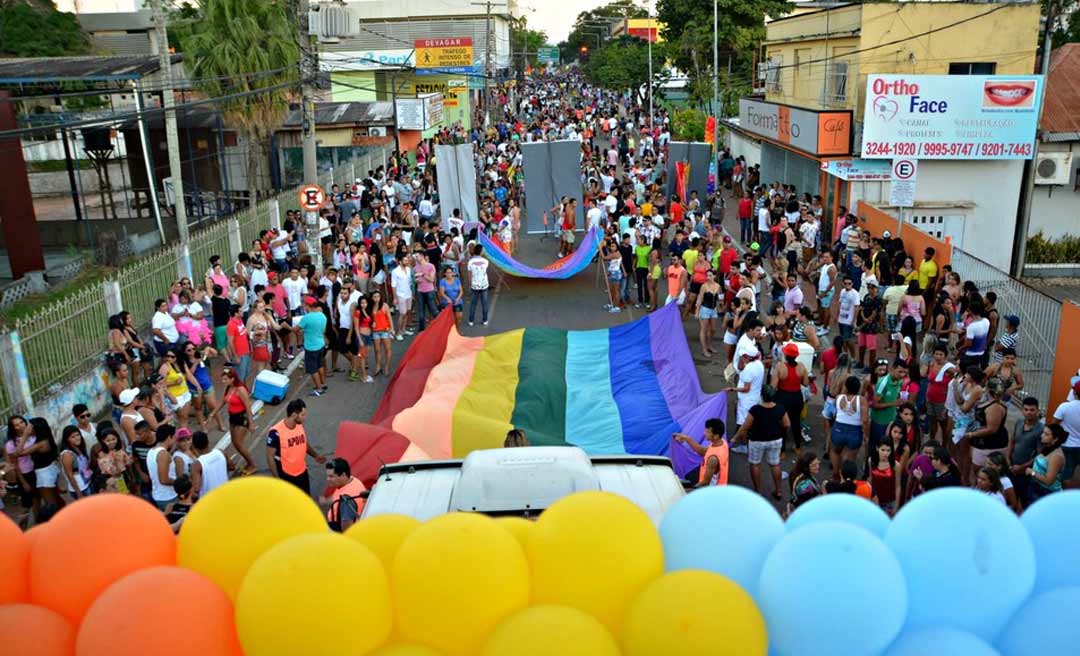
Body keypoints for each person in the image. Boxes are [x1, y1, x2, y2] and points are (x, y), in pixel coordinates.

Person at [732, 385, 788, 500]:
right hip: (775, 439)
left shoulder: (755, 409)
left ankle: (758, 491)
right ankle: (778, 491)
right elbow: (786, 424)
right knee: (775, 464)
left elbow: (745, 427)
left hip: (757, 440)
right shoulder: (780, 408)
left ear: (761, 396)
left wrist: (735, 437)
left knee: (755, 464)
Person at [265, 399, 326, 496]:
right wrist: (277, 480)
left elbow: (303, 443)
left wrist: (315, 455)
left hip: (302, 471)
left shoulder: (299, 425)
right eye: (302, 415)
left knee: (306, 498)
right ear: (294, 415)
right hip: (286, 475)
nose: (304, 418)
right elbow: (270, 456)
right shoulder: (275, 432)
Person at [771, 343, 809, 454]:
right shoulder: (801, 366)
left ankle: (782, 451)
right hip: (797, 397)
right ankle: (797, 447)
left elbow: (773, 386)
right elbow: (806, 383)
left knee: (782, 424)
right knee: (796, 422)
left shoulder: (780, 366)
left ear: (785, 354)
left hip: (783, 397)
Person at [674, 419, 729, 487]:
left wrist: (691, 490)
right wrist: (687, 439)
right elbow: (702, 451)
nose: (704, 433)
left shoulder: (713, 459)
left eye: (708, 432)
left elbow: (705, 483)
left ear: (716, 436)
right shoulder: (722, 443)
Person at [1009, 396, 1044, 506]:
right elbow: (1012, 441)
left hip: (1026, 472)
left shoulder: (1041, 430)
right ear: (1022, 410)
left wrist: (1021, 467)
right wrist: (1008, 459)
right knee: (1011, 496)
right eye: (1026, 409)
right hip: (1012, 467)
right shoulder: (1019, 422)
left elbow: (1039, 455)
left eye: (1032, 410)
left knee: (1024, 499)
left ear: (1038, 411)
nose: (1029, 413)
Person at [831, 375, 868, 475]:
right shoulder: (862, 400)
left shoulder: (839, 397)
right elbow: (864, 420)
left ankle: (835, 474)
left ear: (846, 387)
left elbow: (835, 413)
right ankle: (846, 478)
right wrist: (866, 435)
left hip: (838, 428)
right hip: (855, 431)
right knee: (850, 459)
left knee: (835, 451)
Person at [294, 296, 329, 397]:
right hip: (320, 344)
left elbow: (295, 329)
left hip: (311, 347)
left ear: (307, 306)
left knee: (313, 369)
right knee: (320, 365)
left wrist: (286, 326)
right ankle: (323, 384)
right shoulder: (322, 316)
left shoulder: (306, 318)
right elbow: (323, 330)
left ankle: (319, 389)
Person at [321, 458, 367, 531]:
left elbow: (347, 528)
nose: (328, 479)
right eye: (327, 476)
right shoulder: (353, 480)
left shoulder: (346, 503)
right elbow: (338, 495)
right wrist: (326, 501)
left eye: (331, 476)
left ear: (343, 475)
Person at [1026, 424, 1067, 503]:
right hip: (1036, 485)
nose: (1042, 436)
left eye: (1046, 434)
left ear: (1055, 439)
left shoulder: (1056, 456)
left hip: (1046, 492)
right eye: (1043, 433)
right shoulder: (1048, 447)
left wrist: (1032, 472)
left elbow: (1048, 481)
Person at [147, 424, 178, 511]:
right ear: (169, 437)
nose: (175, 440)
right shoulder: (163, 454)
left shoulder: (151, 451)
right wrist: (179, 482)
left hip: (159, 494)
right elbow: (164, 480)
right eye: (174, 437)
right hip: (168, 496)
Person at [192, 430, 230, 498]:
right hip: (225, 492)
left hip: (209, 499)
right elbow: (232, 466)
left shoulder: (197, 464)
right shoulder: (221, 452)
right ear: (208, 441)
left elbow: (196, 488)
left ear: (194, 446)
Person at [58, 425, 92, 499]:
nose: (77, 438)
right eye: (73, 437)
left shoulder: (79, 447)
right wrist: (78, 493)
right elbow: (69, 475)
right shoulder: (67, 454)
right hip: (81, 488)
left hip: (87, 483)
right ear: (67, 439)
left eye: (78, 435)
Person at [96, 428, 132, 494]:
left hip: (121, 479)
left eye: (113, 439)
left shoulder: (120, 451)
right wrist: (114, 462)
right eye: (108, 440)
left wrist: (129, 460)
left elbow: (127, 464)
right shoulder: (101, 455)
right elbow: (107, 471)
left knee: (125, 496)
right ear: (103, 441)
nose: (111, 442)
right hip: (111, 481)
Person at [695, 270, 722, 357]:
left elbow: (720, 298)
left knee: (713, 329)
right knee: (704, 329)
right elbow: (700, 299)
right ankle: (704, 349)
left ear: (714, 276)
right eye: (707, 276)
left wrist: (720, 307)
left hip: (713, 309)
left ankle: (709, 345)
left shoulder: (718, 286)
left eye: (710, 276)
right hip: (705, 309)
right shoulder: (704, 286)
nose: (708, 277)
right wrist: (697, 311)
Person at [370, 290, 395, 376]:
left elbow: (389, 317)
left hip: (385, 330)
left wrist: (392, 329)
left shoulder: (384, 306)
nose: (376, 298)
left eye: (378, 296)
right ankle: (378, 366)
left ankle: (387, 366)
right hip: (375, 331)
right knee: (377, 350)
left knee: (387, 349)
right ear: (372, 298)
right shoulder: (371, 306)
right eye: (375, 297)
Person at [467, 244, 491, 326]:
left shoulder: (470, 262)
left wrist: (469, 285)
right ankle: (485, 320)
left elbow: (469, 275)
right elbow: (485, 272)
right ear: (481, 251)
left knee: (473, 303)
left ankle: (471, 320)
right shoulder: (486, 261)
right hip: (484, 284)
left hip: (474, 285)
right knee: (484, 303)